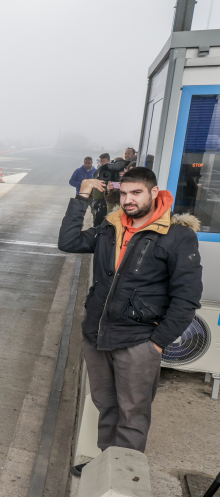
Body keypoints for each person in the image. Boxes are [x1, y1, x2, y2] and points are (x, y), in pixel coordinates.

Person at [58, 167, 202, 475]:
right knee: (106, 404)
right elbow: (68, 242)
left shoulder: (177, 235)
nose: (128, 200)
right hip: (97, 334)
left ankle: (122, 476)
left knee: (132, 412)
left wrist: (158, 343)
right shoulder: (110, 227)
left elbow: (187, 297)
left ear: (153, 193)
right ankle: (106, 465)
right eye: (123, 193)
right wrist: (82, 194)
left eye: (136, 193)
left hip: (139, 340)